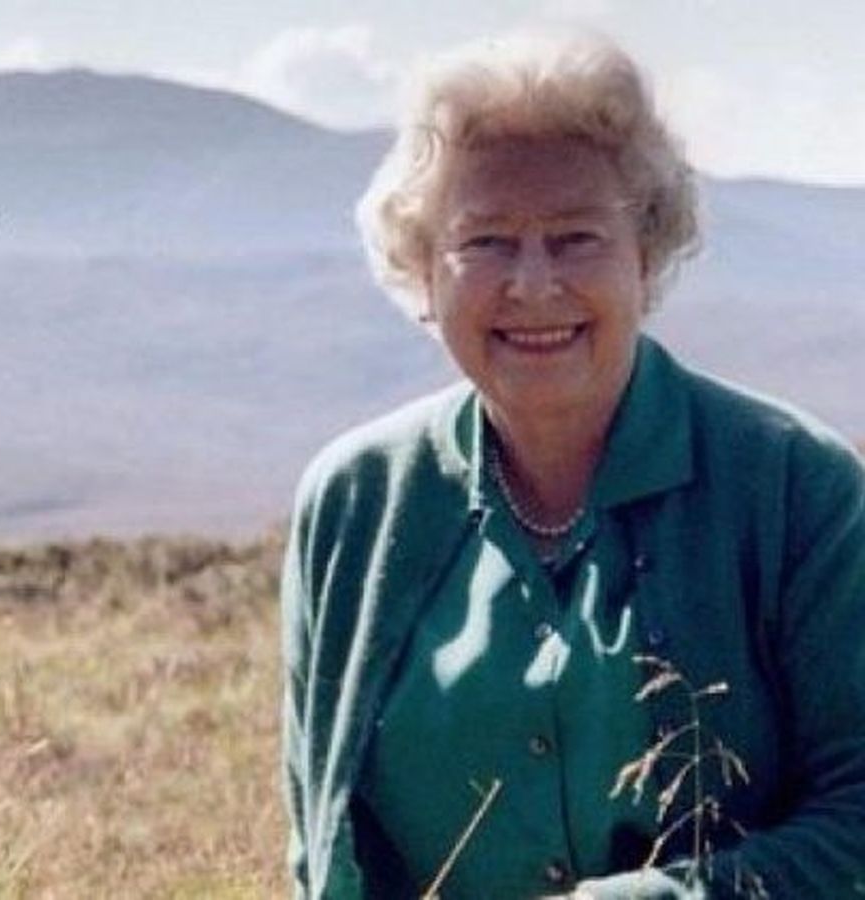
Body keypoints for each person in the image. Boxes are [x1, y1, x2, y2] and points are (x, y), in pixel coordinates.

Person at [280, 29, 865, 900]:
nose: (532, 283)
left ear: (647, 254)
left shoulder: (796, 485)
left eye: (576, 237)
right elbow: (320, 846)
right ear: (422, 270)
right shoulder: (354, 502)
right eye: (484, 242)